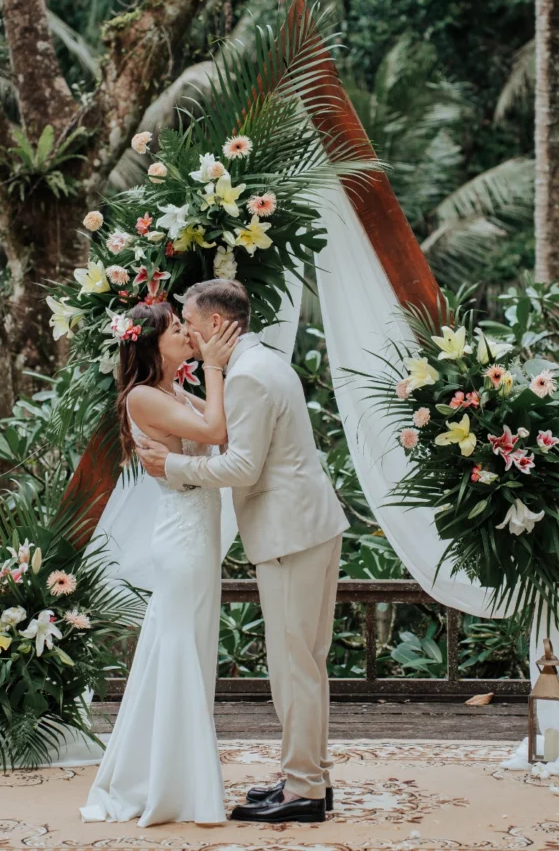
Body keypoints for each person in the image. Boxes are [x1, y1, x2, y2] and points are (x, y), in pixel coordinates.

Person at [137, 279, 348, 825]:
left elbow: (242, 468)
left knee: (293, 665)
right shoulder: (264, 362)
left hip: (290, 534)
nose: (186, 332)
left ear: (214, 324)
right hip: (311, 524)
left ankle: (302, 790)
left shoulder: (248, 377)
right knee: (308, 661)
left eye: (188, 321)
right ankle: (311, 776)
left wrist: (172, 467)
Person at [80, 299, 240, 827]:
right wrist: (213, 365)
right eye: (177, 329)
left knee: (189, 647)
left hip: (199, 530)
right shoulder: (143, 396)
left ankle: (177, 775)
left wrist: (211, 370)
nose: (186, 334)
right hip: (182, 536)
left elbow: (222, 422)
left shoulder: (173, 391)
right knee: (178, 650)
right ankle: (171, 785)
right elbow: (216, 433)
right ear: (152, 344)